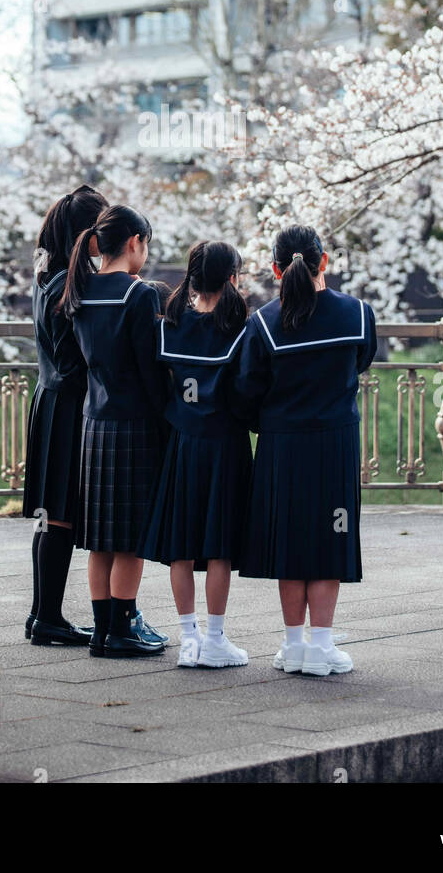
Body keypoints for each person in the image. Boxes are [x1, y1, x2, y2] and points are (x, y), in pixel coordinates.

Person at [234, 225, 377, 678]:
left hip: (281, 447)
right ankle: (322, 646)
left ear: (275, 269)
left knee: (290, 540)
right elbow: (361, 361)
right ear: (324, 262)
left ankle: (293, 644)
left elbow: (245, 389)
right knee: (327, 541)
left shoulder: (262, 323)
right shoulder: (357, 314)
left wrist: (268, 425)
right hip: (334, 442)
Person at [60, 205, 169, 658]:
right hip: (134, 423)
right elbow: (151, 369)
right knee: (129, 534)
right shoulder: (138, 296)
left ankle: (104, 628)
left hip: (94, 420)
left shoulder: (79, 290)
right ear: (134, 242)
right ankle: (123, 628)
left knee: (100, 534)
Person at [138, 241, 252, 669]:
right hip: (225, 443)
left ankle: (188, 639)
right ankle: (216, 639)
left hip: (182, 443)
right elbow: (246, 393)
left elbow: (160, 385)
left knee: (181, 546)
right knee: (219, 545)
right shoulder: (240, 327)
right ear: (231, 278)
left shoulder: (170, 323)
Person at [23, 185, 108, 645]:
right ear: (85, 233)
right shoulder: (67, 285)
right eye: (101, 229)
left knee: (49, 514)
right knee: (58, 516)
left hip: (48, 399)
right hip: (68, 403)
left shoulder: (47, 275)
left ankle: (42, 615)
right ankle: (48, 618)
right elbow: (77, 358)